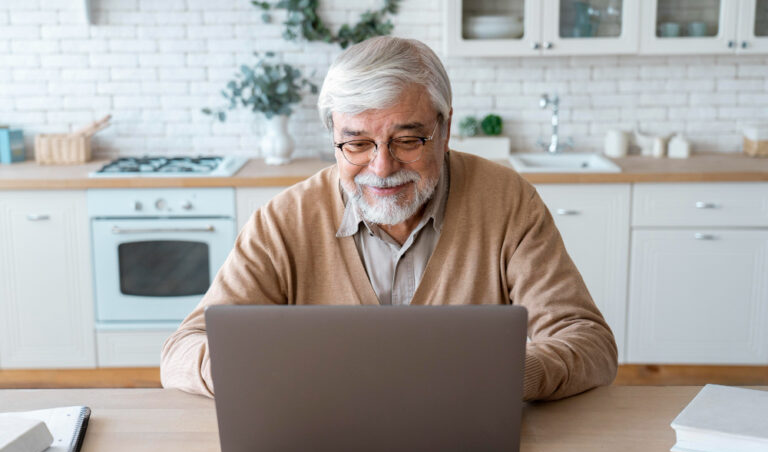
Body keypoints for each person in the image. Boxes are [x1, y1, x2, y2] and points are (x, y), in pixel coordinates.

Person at [161, 36, 617, 401]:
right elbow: (182, 352)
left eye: (407, 140)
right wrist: (279, 374)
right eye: (356, 144)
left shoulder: (507, 201)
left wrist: (515, 375)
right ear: (333, 136)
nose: (382, 168)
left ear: (445, 129)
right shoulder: (283, 221)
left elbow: (589, 341)